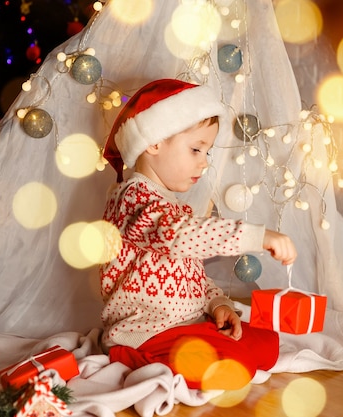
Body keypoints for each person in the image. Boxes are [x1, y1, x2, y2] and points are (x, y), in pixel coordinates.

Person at [99, 78, 297, 390]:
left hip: (185, 323)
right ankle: (127, 355)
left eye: (206, 152)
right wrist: (258, 236)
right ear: (154, 142)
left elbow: (189, 270)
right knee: (238, 367)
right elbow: (180, 237)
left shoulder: (168, 202)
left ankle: (201, 339)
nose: (204, 164)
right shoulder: (132, 198)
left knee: (267, 347)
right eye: (195, 149)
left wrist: (217, 302)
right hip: (148, 330)